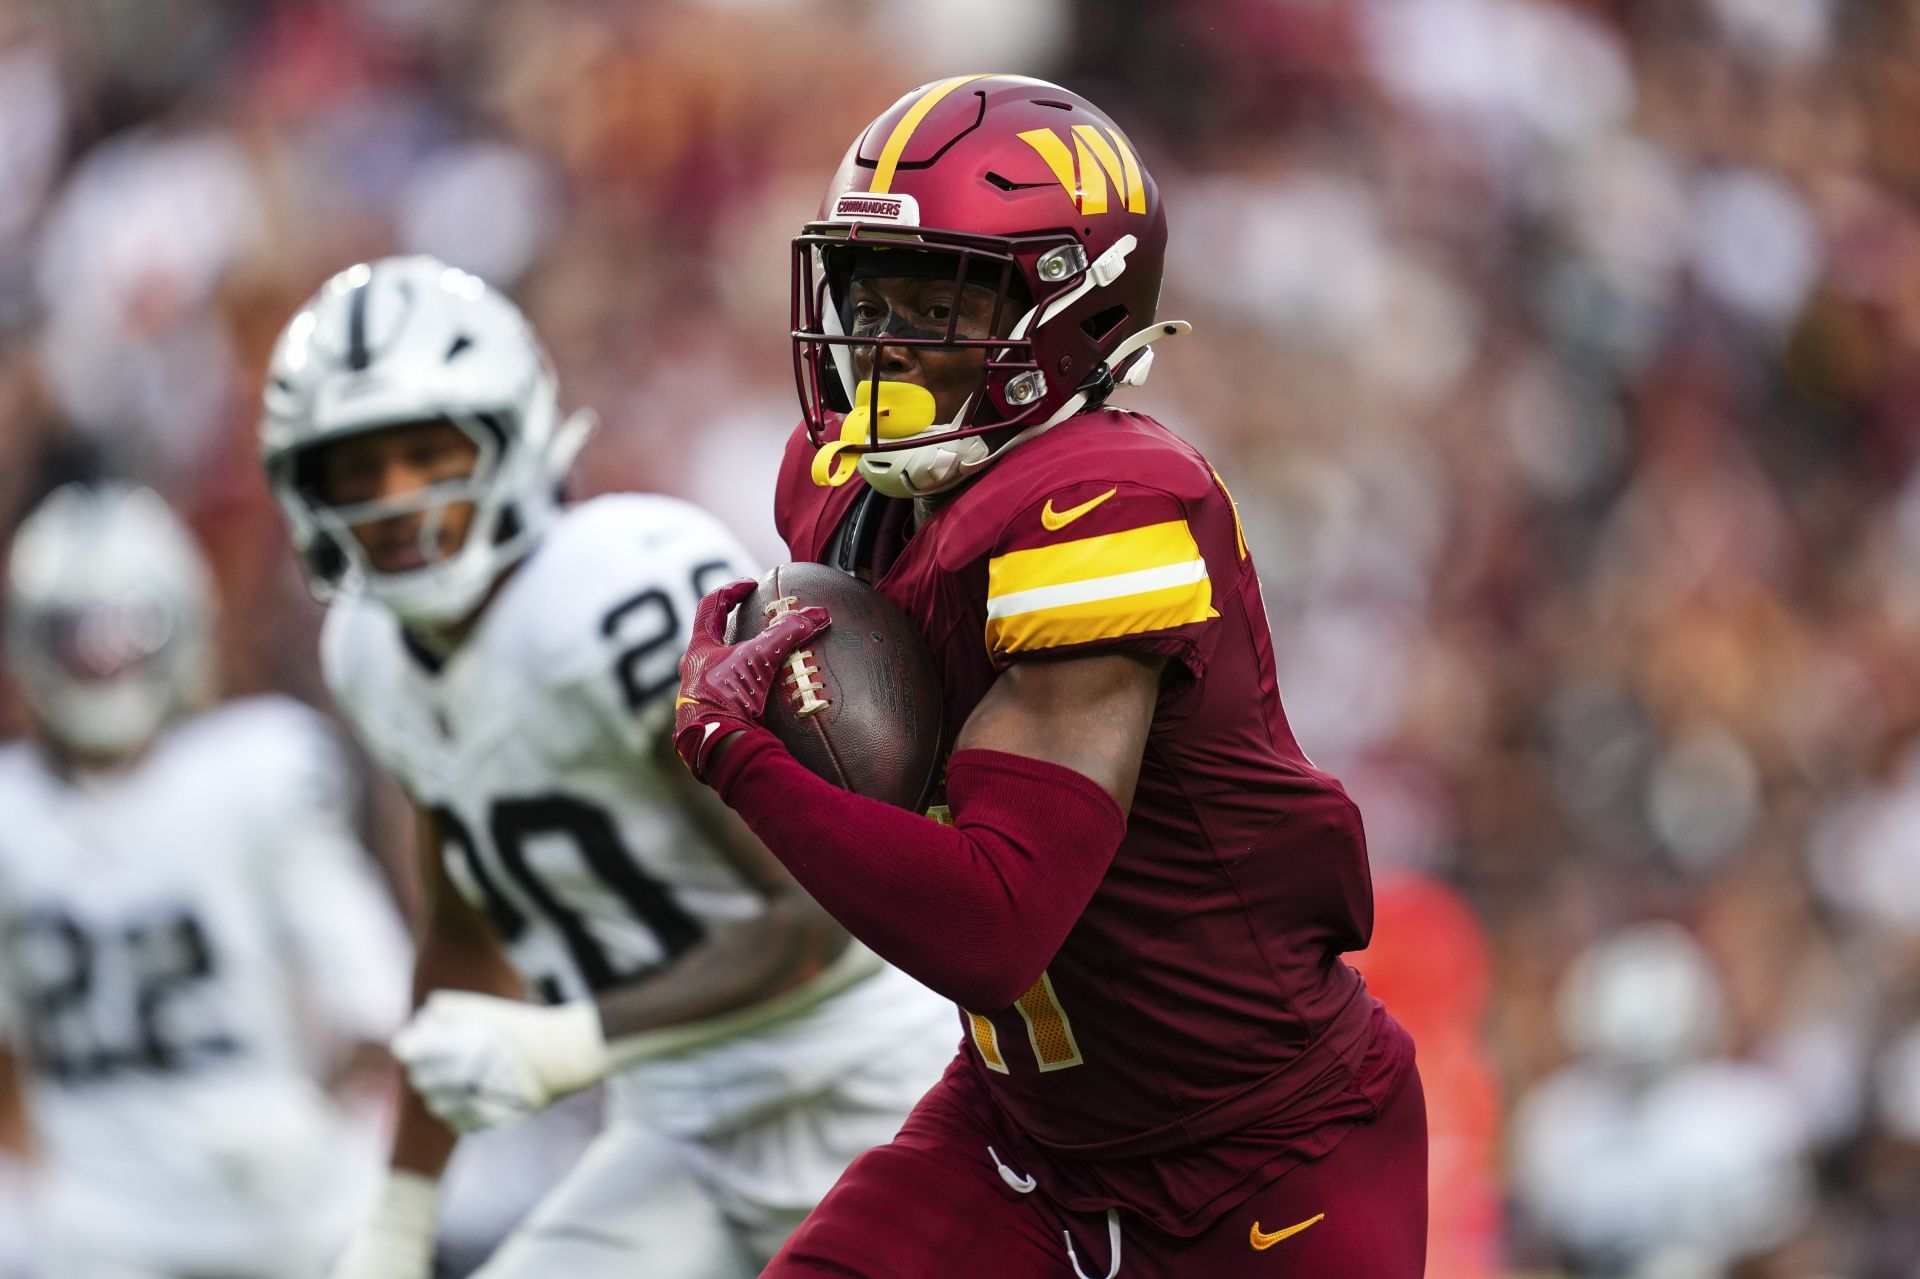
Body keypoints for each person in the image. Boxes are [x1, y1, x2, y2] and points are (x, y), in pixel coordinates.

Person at [671, 75, 1429, 1276]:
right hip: (1024, 1138)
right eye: (869, 298)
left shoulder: (1103, 509)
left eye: (937, 303)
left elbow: (995, 920)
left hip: (1265, 1160)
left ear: (1069, 314)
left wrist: (739, 757)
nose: (882, 345)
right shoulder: (841, 490)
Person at [258, 255, 955, 1279]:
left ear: (510, 436)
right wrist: (401, 1213)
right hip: (680, 1118)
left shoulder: (619, 594)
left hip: (870, 1080)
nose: (393, 498)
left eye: (424, 452)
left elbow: (822, 910)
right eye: (353, 470)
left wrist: (574, 1040)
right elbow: (465, 929)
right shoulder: (368, 652)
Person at [0, 482, 409, 1279]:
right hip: (106, 1220)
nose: (99, 660)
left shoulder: (255, 773)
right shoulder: (259, 765)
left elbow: (375, 1012)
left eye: (122, 636)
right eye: (79, 640)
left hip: (252, 1210)